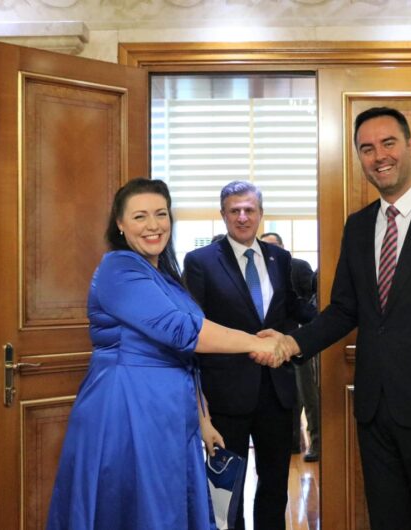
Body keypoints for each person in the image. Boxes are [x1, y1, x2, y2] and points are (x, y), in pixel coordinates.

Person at [254, 107, 411, 530]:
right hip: (374, 412)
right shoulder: (358, 226)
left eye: (388, 143)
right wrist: (291, 343)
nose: (379, 156)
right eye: (367, 149)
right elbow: (344, 309)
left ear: (410, 145)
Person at [46, 178, 284, 530]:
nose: (153, 225)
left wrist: (202, 420)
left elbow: (185, 358)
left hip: (170, 413)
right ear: (120, 224)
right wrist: (257, 342)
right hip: (128, 410)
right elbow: (182, 331)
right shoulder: (118, 269)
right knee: (138, 510)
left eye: (160, 214)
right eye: (140, 216)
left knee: (168, 508)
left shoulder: (164, 275)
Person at [183, 181, 316, 530]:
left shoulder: (280, 258)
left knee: (274, 483)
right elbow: (195, 325)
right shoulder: (200, 262)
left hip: (276, 390)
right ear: (223, 214)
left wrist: (329, 311)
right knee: (229, 487)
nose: (242, 217)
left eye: (249, 210)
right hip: (227, 393)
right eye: (234, 211)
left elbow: (291, 311)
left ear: (260, 213)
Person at [259, 232, 320, 463]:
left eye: (274, 245)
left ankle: (316, 443)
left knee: (307, 395)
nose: (270, 249)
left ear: (283, 247)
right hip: (267, 346)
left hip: (298, 343)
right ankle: (292, 442)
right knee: (282, 398)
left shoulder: (297, 266)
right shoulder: (256, 271)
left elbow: (310, 299)